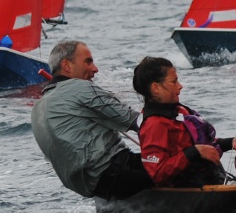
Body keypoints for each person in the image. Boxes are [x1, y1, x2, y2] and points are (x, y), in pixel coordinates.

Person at [30, 40, 153, 199]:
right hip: (115, 172)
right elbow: (140, 122)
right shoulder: (81, 87)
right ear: (66, 65)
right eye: (88, 62)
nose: (95, 69)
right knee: (181, 166)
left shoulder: (37, 108)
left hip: (89, 185)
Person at [133, 56, 236, 187]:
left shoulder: (179, 112)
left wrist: (230, 143)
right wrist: (193, 152)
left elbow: (201, 145)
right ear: (156, 88)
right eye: (174, 81)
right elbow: (158, 174)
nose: (180, 86)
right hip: (190, 188)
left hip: (214, 179)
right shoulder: (154, 125)